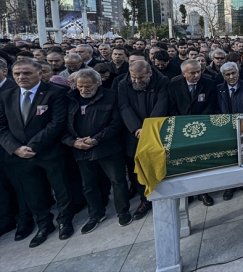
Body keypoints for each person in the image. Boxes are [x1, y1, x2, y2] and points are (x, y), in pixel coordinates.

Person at [0, 60, 75, 247]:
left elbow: (57, 123)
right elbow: (1, 127)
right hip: (20, 156)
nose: (21, 77)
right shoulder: (6, 96)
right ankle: (44, 224)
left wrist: (33, 146)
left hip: (49, 152)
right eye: (17, 73)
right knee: (33, 193)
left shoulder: (55, 92)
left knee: (61, 189)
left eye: (26, 73)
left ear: (39, 73)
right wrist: (16, 148)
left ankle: (65, 221)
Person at [63, 68, 132, 234]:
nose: (84, 90)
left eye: (88, 86)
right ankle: (95, 214)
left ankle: (123, 211)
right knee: (89, 185)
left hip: (107, 147)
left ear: (98, 83)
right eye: (80, 86)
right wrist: (73, 142)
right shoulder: (70, 99)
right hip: (81, 149)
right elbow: (62, 125)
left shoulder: (111, 96)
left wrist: (97, 138)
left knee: (118, 180)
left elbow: (116, 123)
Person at [118, 60, 169, 220]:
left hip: (156, 129)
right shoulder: (123, 84)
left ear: (149, 73)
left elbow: (162, 103)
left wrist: (148, 128)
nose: (137, 81)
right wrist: (136, 128)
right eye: (134, 77)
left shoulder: (162, 81)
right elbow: (124, 107)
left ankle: (164, 193)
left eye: (141, 78)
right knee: (136, 165)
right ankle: (144, 198)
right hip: (134, 132)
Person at [168, 59, 217, 206]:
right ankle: (187, 192)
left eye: (199, 71)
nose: (196, 75)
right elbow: (171, 106)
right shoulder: (173, 85)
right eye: (192, 73)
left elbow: (211, 105)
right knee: (185, 160)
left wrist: (200, 122)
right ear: (184, 73)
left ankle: (203, 191)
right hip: (180, 128)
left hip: (203, 127)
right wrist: (182, 123)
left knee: (201, 160)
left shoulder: (209, 83)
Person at [217, 61, 243, 199]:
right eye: (227, 74)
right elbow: (216, 108)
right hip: (226, 129)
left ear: (238, 72)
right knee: (230, 158)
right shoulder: (218, 89)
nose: (231, 76)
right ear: (223, 76)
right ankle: (230, 186)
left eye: (233, 73)